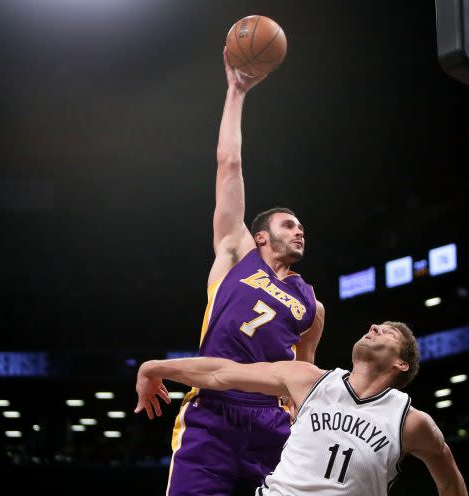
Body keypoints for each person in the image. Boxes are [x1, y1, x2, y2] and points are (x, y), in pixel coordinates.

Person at [157, 47, 325, 496]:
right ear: (261, 236)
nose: (299, 230)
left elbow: (303, 371)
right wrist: (236, 92)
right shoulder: (235, 253)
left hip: (270, 426)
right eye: (289, 224)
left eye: (302, 226)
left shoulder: (313, 305)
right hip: (212, 412)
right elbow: (228, 164)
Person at [136, 322, 468, 496]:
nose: (374, 328)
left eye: (388, 332)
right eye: (374, 326)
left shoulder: (410, 422)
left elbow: (450, 483)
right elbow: (220, 373)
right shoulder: (309, 380)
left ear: (401, 362)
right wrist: (155, 367)